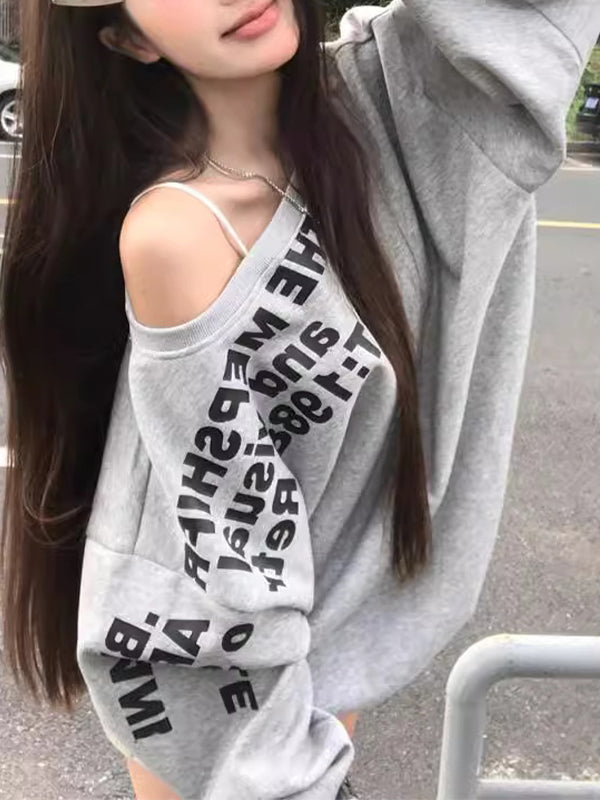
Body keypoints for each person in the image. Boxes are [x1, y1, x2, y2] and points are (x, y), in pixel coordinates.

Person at [0, 0, 598, 797]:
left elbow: (531, 27)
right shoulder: (179, 235)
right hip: (230, 721)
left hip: (325, 669)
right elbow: (224, 548)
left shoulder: (384, 109)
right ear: (130, 39)